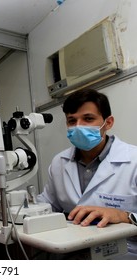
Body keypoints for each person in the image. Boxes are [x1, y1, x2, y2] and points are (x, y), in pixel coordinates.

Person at [37, 88, 137, 259]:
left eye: (88, 119)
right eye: (72, 120)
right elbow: (46, 206)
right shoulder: (59, 162)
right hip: (70, 253)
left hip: (122, 256)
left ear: (109, 122)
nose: (78, 126)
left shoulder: (133, 160)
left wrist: (123, 216)